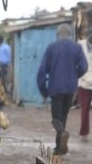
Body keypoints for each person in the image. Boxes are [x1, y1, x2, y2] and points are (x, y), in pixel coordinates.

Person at [37, 21, 88, 155]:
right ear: (70, 34)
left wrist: (43, 90)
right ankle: (59, 147)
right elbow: (84, 67)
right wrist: (74, 75)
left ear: (58, 34)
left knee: (56, 118)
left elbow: (42, 71)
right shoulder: (76, 47)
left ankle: (61, 134)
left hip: (55, 87)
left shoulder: (51, 48)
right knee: (63, 116)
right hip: (70, 88)